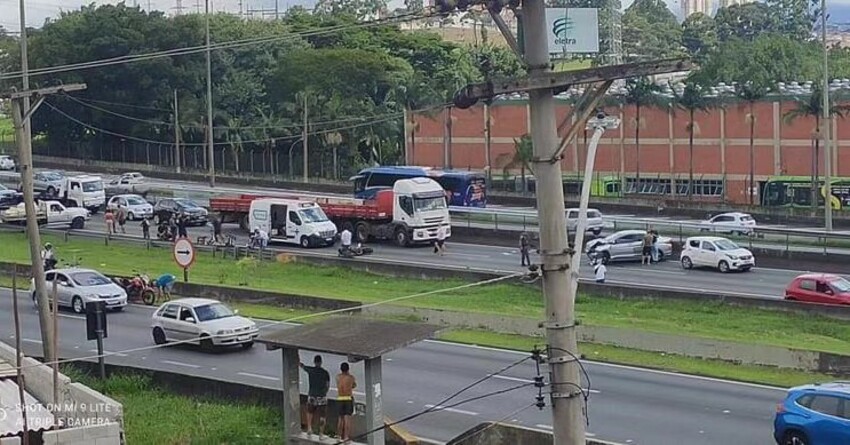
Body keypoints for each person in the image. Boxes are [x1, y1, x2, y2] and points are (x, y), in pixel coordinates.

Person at [300, 355, 330, 438]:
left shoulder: (311, 370)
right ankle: (321, 434)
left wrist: (297, 355)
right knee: (322, 415)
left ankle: (309, 429)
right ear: (321, 362)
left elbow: (301, 365)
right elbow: (327, 385)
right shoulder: (325, 372)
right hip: (322, 396)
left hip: (312, 395)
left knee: (309, 412)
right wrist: (324, 392)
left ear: (314, 362)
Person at [336, 362, 356, 442]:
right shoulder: (351, 377)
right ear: (348, 369)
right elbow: (354, 385)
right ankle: (346, 437)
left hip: (340, 398)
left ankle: (338, 436)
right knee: (347, 419)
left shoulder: (337, 377)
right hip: (348, 398)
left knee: (340, 419)